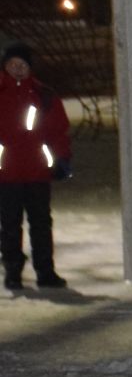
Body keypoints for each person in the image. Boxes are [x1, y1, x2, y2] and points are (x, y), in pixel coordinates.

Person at [0, 41, 73, 292]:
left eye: (22, 65)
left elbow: (58, 131)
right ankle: (13, 272)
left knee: (41, 223)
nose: (18, 70)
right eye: (13, 65)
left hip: (37, 172)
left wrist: (61, 159)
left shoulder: (44, 95)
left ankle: (45, 271)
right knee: (10, 225)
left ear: (29, 67)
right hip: (5, 173)